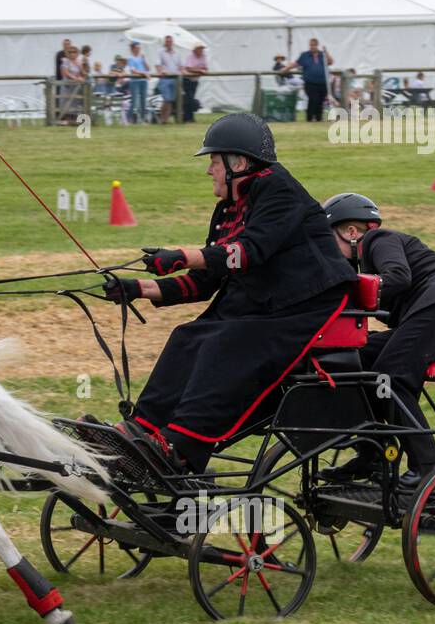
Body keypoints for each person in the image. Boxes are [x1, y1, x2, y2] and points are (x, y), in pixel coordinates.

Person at [102, 114, 357, 474]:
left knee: (225, 343)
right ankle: (142, 430)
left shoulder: (277, 188)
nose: (209, 170)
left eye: (213, 161)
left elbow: (249, 251)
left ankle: (182, 445)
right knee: (187, 335)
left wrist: (180, 256)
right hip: (263, 305)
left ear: (238, 163)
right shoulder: (228, 209)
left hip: (305, 305)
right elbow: (206, 280)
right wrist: (138, 289)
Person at [319, 193, 435, 493]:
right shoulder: (365, 262)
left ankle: (427, 465)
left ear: (351, 232)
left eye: (329, 242)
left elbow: (399, 277)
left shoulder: (378, 239)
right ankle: (372, 453)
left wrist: (353, 291)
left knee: (390, 377)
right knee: (352, 359)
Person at [283, 38, 333, 121]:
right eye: (311, 45)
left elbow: (331, 62)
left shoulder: (322, 55)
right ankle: (309, 118)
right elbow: (296, 63)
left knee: (320, 101)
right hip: (310, 83)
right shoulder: (305, 55)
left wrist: (326, 52)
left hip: (323, 82)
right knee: (313, 99)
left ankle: (318, 118)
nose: (312, 47)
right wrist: (286, 69)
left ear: (317, 45)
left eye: (314, 45)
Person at [155, 34, 182, 124]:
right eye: (167, 41)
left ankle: (165, 120)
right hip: (165, 78)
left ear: (172, 42)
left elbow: (180, 66)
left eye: (170, 41)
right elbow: (158, 65)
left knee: (170, 100)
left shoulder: (177, 53)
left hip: (175, 78)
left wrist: (181, 73)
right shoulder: (160, 52)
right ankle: (162, 118)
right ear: (165, 42)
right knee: (166, 99)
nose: (169, 43)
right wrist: (161, 71)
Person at [182, 44, 208, 123]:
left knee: (190, 99)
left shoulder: (203, 56)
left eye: (202, 49)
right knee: (189, 99)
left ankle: (188, 118)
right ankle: (188, 118)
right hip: (187, 80)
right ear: (195, 49)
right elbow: (188, 68)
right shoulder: (191, 56)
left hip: (195, 81)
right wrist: (199, 70)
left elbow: (205, 68)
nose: (201, 50)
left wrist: (197, 69)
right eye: (200, 48)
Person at [125, 41, 150, 123]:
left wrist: (144, 60)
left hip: (143, 81)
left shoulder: (141, 57)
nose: (138, 49)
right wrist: (144, 73)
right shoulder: (130, 58)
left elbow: (148, 68)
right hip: (135, 81)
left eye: (139, 48)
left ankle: (143, 119)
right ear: (133, 49)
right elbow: (133, 70)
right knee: (134, 101)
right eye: (137, 48)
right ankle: (128, 119)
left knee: (144, 101)